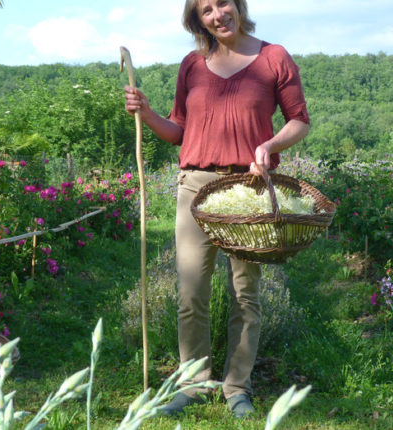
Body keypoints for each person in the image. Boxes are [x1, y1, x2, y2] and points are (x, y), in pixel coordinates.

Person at [123, 0, 309, 419]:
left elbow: (299, 119)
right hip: (196, 188)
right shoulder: (192, 64)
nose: (217, 14)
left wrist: (268, 146)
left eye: (223, 3)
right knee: (191, 292)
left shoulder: (273, 57)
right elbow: (179, 132)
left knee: (246, 293)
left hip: (248, 189)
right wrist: (147, 113)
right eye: (205, 9)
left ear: (239, 6)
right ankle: (193, 384)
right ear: (197, 19)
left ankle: (237, 387)